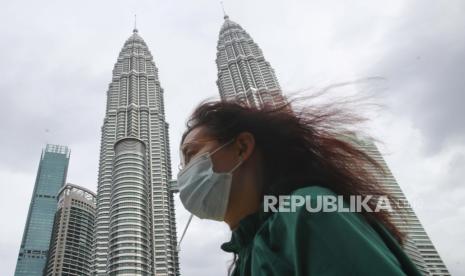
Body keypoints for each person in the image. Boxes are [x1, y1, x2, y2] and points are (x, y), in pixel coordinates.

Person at [176, 98, 423, 276]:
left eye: (191, 154)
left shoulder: (309, 211)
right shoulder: (247, 254)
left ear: (241, 147)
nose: (184, 172)